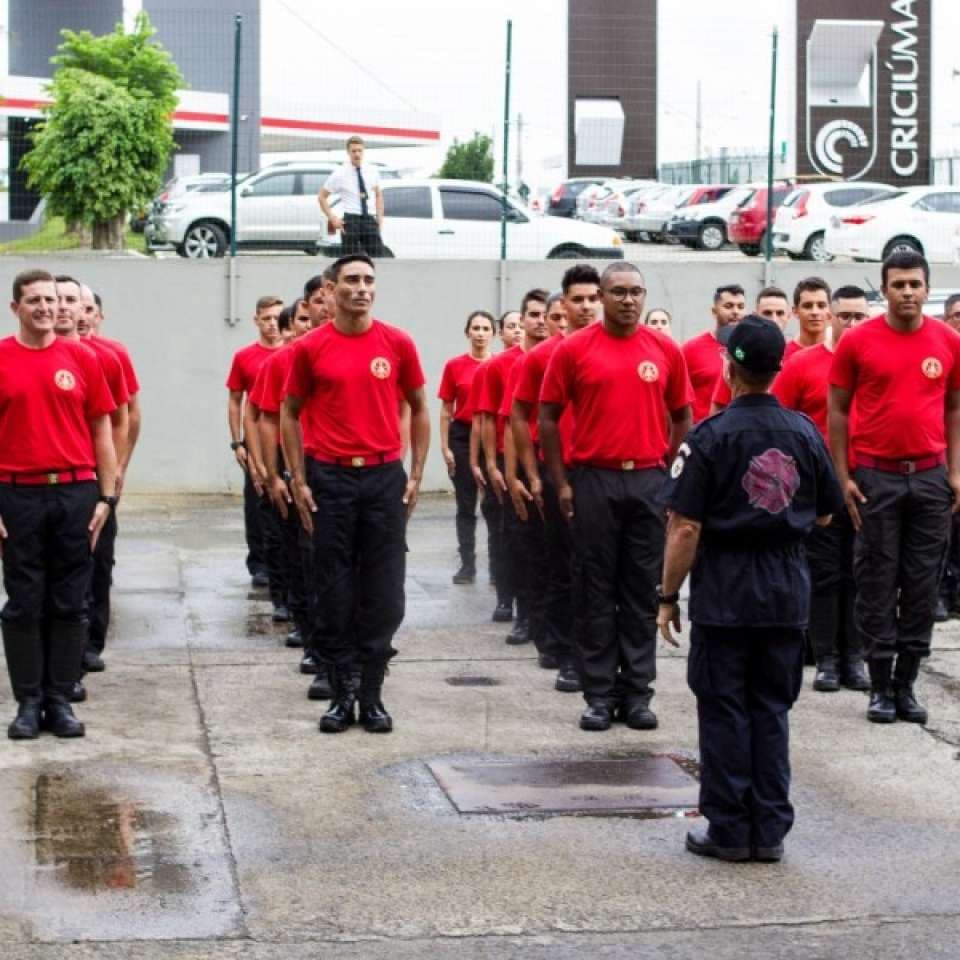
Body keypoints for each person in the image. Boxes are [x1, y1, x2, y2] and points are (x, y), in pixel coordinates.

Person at [659, 314, 842, 863]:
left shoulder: (710, 437)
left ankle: (729, 828)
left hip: (728, 589)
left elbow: (685, 526)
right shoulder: (805, 432)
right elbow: (829, 516)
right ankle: (769, 830)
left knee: (724, 709)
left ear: (728, 366)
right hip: (787, 587)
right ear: (778, 370)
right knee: (770, 709)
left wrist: (667, 595)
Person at [540, 262, 693, 732]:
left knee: (641, 592)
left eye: (635, 292)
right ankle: (600, 696)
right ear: (601, 297)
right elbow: (547, 417)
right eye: (617, 292)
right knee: (595, 590)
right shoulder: (572, 350)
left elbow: (682, 415)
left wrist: (668, 471)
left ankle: (638, 694)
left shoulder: (665, 349)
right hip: (593, 482)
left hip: (646, 481)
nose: (627, 300)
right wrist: (563, 482)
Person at [282, 254, 430, 734]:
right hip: (330, 479)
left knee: (384, 592)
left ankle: (373, 693)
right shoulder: (310, 349)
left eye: (369, 280)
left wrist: (416, 472)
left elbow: (420, 407)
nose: (362, 288)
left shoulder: (398, 343)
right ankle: (342, 694)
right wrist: (298, 478)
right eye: (351, 280)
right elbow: (289, 413)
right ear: (329, 289)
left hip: (384, 478)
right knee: (334, 590)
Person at [829, 251, 960, 726]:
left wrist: (954, 471)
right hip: (876, 477)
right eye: (899, 284)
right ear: (883, 289)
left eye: (916, 284)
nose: (908, 292)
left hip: (929, 477)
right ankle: (879, 687)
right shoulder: (857, 342)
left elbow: (954, 408)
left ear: (928, 288)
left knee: (923, 583)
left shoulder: (947, 340)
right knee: (877, 581)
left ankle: (907, 685)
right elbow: (838, 411)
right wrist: (842, 476)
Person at [0, 269, 118, 739]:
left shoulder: (83, 358)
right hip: (17, 493)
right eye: (34, 301)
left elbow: (102, 430)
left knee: (71, 602)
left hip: (75, 492)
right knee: (24, 602)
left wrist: (106, 496)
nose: (46, 307)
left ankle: (60, 699)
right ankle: (28, 702)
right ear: (16, 308)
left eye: (51, 299)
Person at [773, 284, 871, 693]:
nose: (850, 322)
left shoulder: (874, 362)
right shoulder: (803, 364)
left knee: (863, 572)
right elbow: (780, 421)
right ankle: (827, 657)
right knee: (826, 573)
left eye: (858, 316)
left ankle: (856, 658)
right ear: (830, 316)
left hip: (868, 480)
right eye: (843, 314)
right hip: (817, 484)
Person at [511, 264, 601, 691]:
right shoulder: (543, 358)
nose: (585, 308)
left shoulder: (623, 350)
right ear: (562, 305)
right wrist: (532, 474)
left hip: (605, 475)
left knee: (600, 570)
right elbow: (520, 415)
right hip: (559, 474)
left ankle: (600, 652)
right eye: (576, 301)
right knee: (560, 564)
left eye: (591, 299)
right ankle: (563, 650)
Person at [259, 279, 333, 702]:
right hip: (300, 473)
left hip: (347, 475)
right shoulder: (286, 360)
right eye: (315, 305)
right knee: (307, 563)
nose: (323, 310)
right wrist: (272, 474)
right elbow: (268, 417)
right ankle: (315, 644)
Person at [479, 290, 549, 646]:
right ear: (522, 321)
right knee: (519, 542)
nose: (539, 321)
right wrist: (496, 464)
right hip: (521, 460)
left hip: (557, 461)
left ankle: (552, 617)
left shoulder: (562, 357)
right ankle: (524, 615)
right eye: (532, 314)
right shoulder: (503, 365)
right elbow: (495, 419)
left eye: (544, 314)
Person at [466, 310, 522, 618]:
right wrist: (486, 463)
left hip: (536, 456)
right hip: (503, 458)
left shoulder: (551, 358)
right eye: (511, 325)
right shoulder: (495, 367)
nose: (517, 330)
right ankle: (505, 598)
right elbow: (483, 419)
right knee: (503, 531)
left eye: (519, 324)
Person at [226, 297, 282, 587]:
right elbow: (236, 401)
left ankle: (283, 561)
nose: (272, 323)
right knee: (257, 500)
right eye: (267, 318)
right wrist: (237, 442)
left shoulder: (293, 353)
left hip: (288, 439)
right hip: (256, 439)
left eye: (276, 317)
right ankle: (259, 563)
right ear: (256, 320)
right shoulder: (244, 357)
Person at [438, 311, 494, 584]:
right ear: (467, 332)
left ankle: (498, 568)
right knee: (466, 503)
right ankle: (468, 565)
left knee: (495, 504)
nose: (481, 333)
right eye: (476, 328)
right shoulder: (454, 366)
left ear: (493, 334)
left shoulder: (499, 365)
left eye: (485, 328)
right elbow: (446, 410)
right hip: (461, 436)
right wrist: (445, 447)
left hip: (492, 437)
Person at [710, 287, 791, 414]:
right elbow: (717, 412)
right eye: (767, 313)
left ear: (789, 316)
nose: (774, 319)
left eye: (780, 313)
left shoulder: (799, 358)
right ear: (755, 315)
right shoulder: (739, 360)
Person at [682, 284, 746, 423]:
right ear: (714, 311)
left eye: (740, 307)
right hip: (703, 435)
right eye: (728, 306)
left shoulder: (750, 349)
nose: (735, 312)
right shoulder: (691, 350)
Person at [319, 136, 386, 258]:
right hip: (351, 221)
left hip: (369, 220)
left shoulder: (372, 170)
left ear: (364, 151)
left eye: (360, 150)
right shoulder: (340, 173)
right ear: (348, 152)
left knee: (378, 258)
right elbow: (322, 197)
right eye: (354, 151)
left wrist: (380, 218)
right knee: (350, 261)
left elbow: (378, 195)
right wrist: (333, 218)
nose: (357, 154)